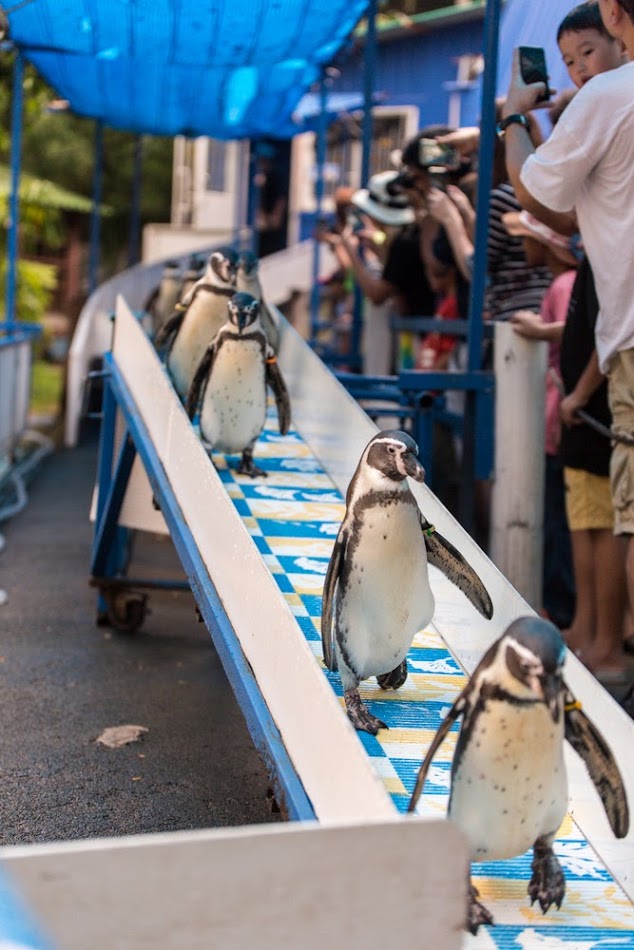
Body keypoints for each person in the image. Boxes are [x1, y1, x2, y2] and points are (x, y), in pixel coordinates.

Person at [502, 0, 634, 675]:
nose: (580, 70)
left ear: (614, 16)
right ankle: (601, 639)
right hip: (612, 336)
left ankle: (612, 651)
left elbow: (534, 190)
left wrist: (514, 117)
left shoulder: (611, 96)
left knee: (626, 515)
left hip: (625, 338)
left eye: (586, 52)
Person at [505, 211, 579, 631]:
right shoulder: (563, 283)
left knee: (560, 520)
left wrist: (539, 329)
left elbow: (576, 331)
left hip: (559, 414)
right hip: (557, 411)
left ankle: (562, 607)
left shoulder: (564, 285)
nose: (522, 247)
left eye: (527, 238)